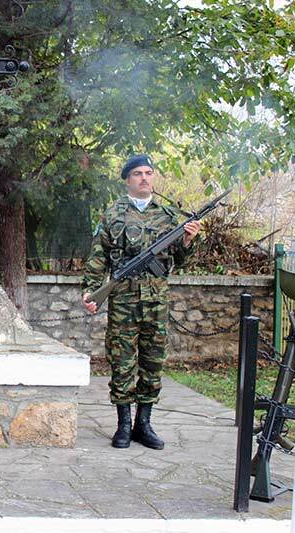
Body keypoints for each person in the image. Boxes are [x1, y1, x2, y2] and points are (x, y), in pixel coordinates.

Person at [81, 154, 201, 450]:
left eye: (149, 172)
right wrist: (91, 290)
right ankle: (123, 425)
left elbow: (181, 261)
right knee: (121, 362)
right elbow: (98, 258)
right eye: (138, 173)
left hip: (156, 302)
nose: (145, 178)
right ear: (127, 179)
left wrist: (188, 241)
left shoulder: (169, 215)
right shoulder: (112, 214)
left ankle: (143, 424)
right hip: (123, 300)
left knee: (152, 361)